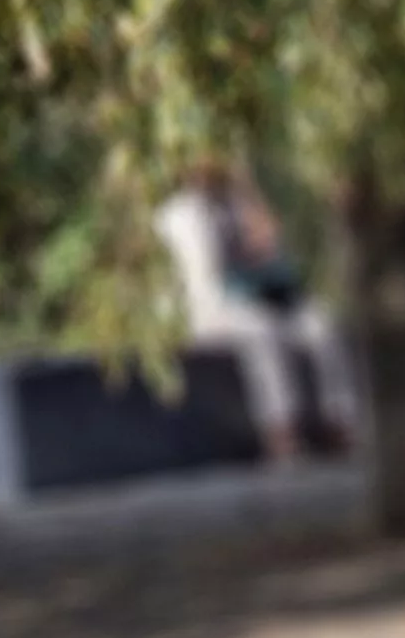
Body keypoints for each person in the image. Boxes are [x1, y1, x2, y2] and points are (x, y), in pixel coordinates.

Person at [153, 165, 358, 467]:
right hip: (218, 308)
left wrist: (252, 204)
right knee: (262, 332)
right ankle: (281, 431)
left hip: (265, 297)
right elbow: (206, 279)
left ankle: (340, 421)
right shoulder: (178, 215)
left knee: (321, 324)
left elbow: (270, 251)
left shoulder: (240, 204)